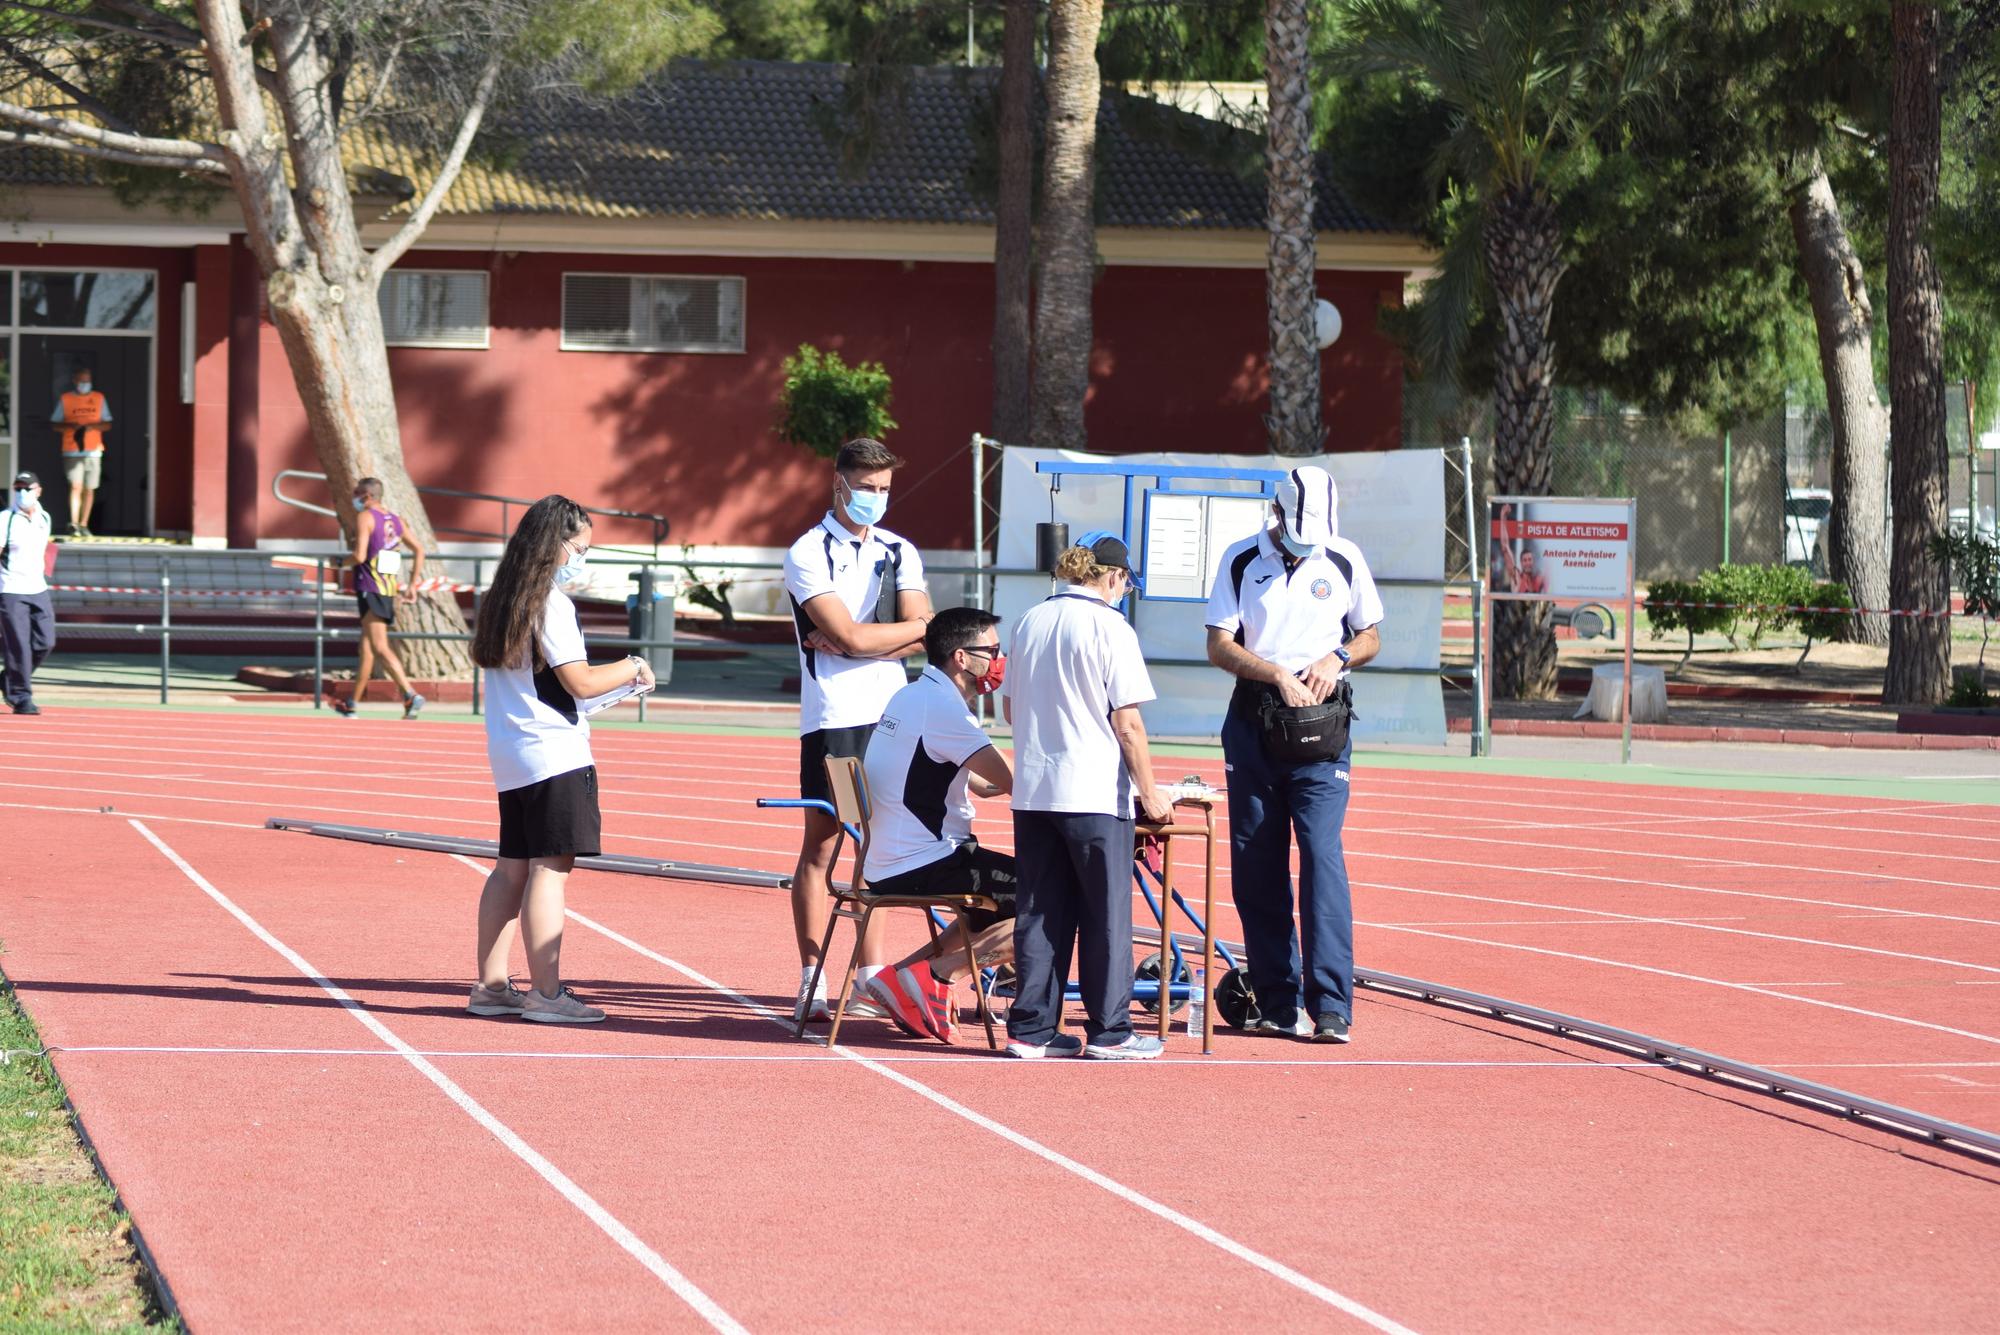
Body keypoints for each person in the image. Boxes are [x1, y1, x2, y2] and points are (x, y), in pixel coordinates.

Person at [1203, 465, 1382, 1043]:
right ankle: (1278, 1001)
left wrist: (1338, 658)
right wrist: (1276, 673)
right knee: (1256, 862)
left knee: (1321, 855)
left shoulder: (1345, 556)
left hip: (1323, 726)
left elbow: (1371, 634)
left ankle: (1332, 1006)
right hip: (1255, 719)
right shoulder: (1239, 558)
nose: (1308, 546)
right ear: (1276, 516)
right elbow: (1218, 644)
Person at [466, 495, 653, 1024]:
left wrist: (614, 687)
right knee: (552, 869)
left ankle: (492, 985)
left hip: (513, 752)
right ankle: (546, 995)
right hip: (554, 754)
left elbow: (556, 688)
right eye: (581, 548)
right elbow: (580, 680)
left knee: (511, 869)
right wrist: (633, 665)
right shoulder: (551, 604)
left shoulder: (501, 599)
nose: (582, 560)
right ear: (557, 544)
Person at [1003, 532, 1174, 1061]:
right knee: (1105, 912)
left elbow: (1010, 711)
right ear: (1115, 577)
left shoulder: (1029, 620)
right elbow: (1128, 724)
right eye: (1126, 583)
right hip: (1094, 792)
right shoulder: (1110, 626)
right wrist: (1152, 794)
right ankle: (1111, 1030)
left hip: (1035, 790)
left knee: (1040, 910)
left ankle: (1031, 1030)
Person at [781, 438, 933, 1023]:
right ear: (839, 484)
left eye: (884, 490)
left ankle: (870, 975)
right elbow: (851, 636)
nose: (876, 498)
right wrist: (883, 635)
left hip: (894, 714)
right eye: (867, 487)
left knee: (882, 846)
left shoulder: (901, 550)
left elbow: (926, 630)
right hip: (835, 717)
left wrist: (866, 638)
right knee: (822, 847)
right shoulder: (807, 552)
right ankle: (810, 979)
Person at [857, 606, 1017, 1043]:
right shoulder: (947, 709)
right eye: (994, 651)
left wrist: (986, 784)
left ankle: (901, 979)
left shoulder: (911, 695)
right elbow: (1013, 783)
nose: (1000, 661)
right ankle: (937, 974)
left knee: (1000, 902)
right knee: (1054, 899)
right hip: (924, 859)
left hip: (889, 855)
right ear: (963, 658)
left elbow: (971, 779)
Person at [334, 477, 428, 719]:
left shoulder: (365, 517)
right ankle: (352, 703)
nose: (353, 498)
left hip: (370, 586)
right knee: (367, 649)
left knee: (379, 646)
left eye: (356, 493)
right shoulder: (396, 520)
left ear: (367, 496)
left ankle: (410, 694)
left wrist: (338, 563)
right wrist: (413, 585)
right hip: (387, 588)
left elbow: (359, 555)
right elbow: (419, 549)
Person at [1, 471, 56, 715]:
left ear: (38, 490)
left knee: (45, 642)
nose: (23, 493)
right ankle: (21, 697)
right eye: (18, 488)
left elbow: (46, 549)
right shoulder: (5, 519)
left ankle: (9, 679)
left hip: (38, 588)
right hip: (11, 590)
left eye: (28, 488)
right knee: (19, 647)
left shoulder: (44, 517)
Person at [52, 366, 110, 537]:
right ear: (75, 381)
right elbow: (55, 424)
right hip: (72, 450)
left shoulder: (99, 398)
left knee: (90, 488)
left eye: (88, 381)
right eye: (82, 381)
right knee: (75, 486)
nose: (85, 384)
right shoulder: (66, 399)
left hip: (94, 451)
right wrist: (71, 425)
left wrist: (92, 426)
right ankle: (74, 523)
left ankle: (84, 524)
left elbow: (108, 424)